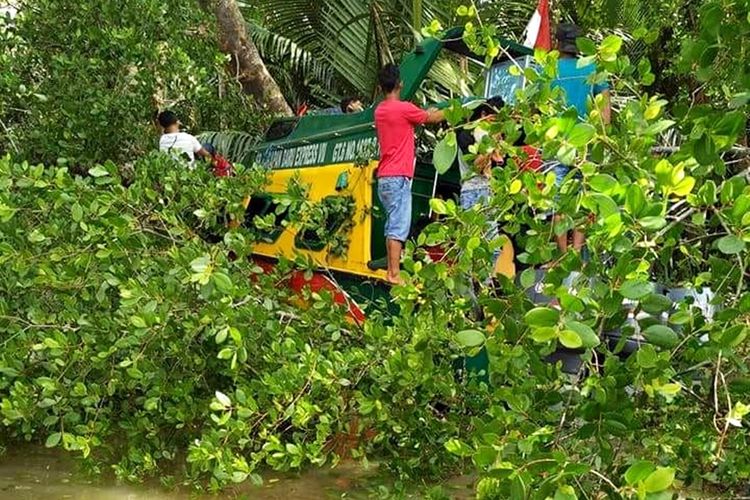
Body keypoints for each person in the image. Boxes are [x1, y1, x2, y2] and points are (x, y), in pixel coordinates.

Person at [374, 63, 444, 284]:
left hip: (384, 176)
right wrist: (455, 110)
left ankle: (392, 269)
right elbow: (431, 118)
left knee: (392, 223)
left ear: (380, 87)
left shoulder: (380, 110)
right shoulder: (404, 108)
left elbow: (420, 116)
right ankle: (393, 273)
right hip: (398, 176)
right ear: (400, 84)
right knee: (398, 226)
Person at [550, 23, 611, 255]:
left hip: (556, 144)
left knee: (559, 202)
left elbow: (537, 110)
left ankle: (563, 254)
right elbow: (605, 111)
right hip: (586, 142)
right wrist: (601, 139)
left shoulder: (548, 69)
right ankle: (577, 251)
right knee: (584, 198)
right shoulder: (592, 68)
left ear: (557, 43)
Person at [456, 97, 506, 269]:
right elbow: (476, 165)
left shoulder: (493, 137)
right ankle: (469, 291)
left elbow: (500, 163)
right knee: (469, 248)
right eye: (494, 120)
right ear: (483, 114)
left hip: (489, 189)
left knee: (492, 248)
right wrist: (491, 144)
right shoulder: (466, 134)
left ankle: (483, 287)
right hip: (471, 191)